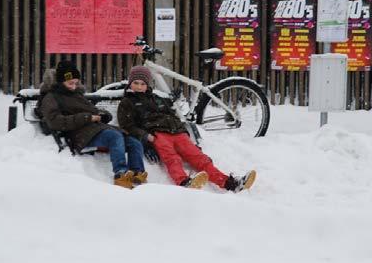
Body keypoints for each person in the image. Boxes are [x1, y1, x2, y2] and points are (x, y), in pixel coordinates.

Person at [117, 66, 256, 192]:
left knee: (200, 158)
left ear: (147, 85)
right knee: (172, 159)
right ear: (130, 83)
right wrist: (146, 137)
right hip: (157, 134)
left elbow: (172, 115)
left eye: (142, 84)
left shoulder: (157, 98)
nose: (139, 87)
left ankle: (230, 183)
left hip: (178, 132)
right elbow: (127, 125)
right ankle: (184, 182)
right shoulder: (127, 102)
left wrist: (184, 131)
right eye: (136, 83)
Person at [38, 60, 146, 189]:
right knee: (114, 136)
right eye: (70, 83)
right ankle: (120, 174)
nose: (73, 86)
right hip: (79, 134)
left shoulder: (76, 94)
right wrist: (87, 118)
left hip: (95, 129)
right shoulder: (51, 97)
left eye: (76, 83)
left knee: (134, 142)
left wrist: (103, 114)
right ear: (61, 81)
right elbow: (55, 121)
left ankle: (136, 173)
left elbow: (92, 111)